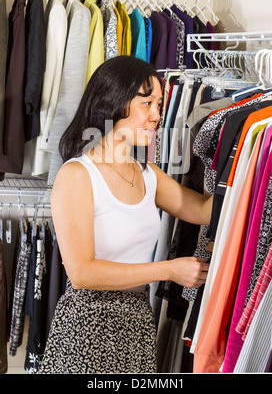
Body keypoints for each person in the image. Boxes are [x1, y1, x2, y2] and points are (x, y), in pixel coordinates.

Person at [39, 55, 212, 374]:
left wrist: (250, 167)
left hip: (137, 319)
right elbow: (82, 273)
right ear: (113, 101)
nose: (157, 115)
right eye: (147, 104)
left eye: (160, 105)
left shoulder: (147, 174)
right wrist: (169, 270)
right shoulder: (77, 175)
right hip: (88, 324)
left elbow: (203, 210)